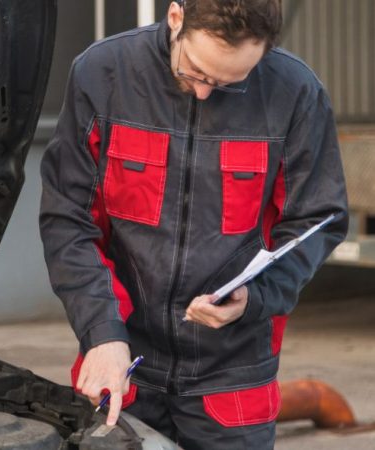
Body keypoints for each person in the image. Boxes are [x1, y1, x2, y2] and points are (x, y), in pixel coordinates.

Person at [39, 0, 348, 448]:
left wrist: (255, 296)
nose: (205, 91)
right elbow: (67, 219)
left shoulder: (295, 93)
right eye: (197, 72)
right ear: (176, 17)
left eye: (229, 83)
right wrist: (101, 333)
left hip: (233, 378)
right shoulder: (104, 74)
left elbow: (316, 222)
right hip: (124, 361)